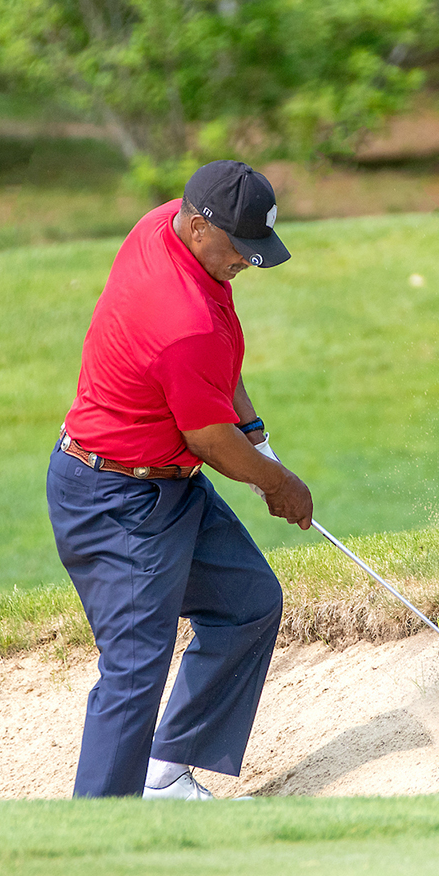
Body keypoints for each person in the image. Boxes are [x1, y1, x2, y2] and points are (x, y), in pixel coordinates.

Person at [47, 160, 314, 799]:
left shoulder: (166, 224)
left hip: (167, 486)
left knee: (247, 604)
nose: (246, 261)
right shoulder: (181, 319)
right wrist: (279, 483)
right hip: (117, 502)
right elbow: (209, 439)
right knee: (134, 670)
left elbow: (220, 371)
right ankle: (97, 833)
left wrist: (256, 433)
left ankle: (166, 777)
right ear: (198, 227)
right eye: (239, 247)